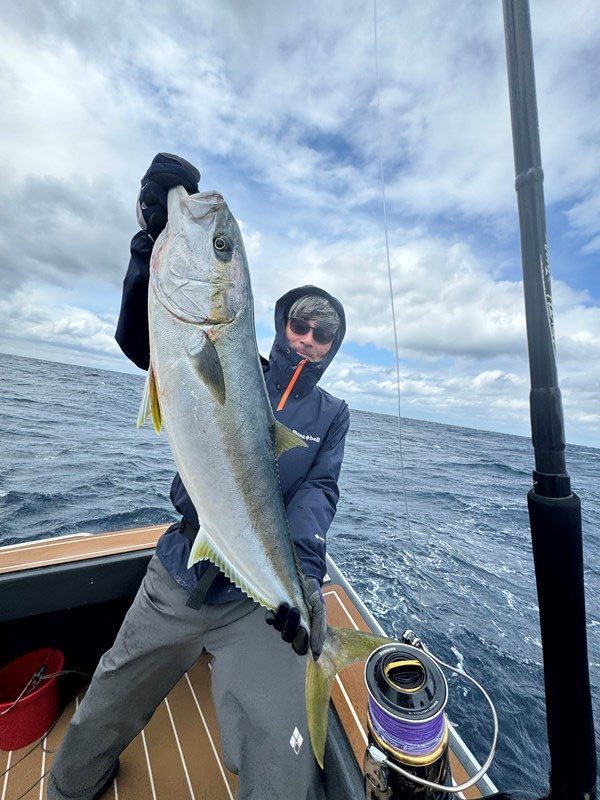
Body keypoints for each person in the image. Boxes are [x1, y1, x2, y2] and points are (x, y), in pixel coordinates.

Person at [47, 154, 350, 800]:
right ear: (277, 322)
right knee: (103, 703)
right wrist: (148, 239)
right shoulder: (236, 359)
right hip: (181, 569)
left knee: (282, 751)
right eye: (299, 322)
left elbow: (317, 496)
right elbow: (141, 342)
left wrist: (304, 581)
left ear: (333, 347)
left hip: (256, 601)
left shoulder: (333, 416)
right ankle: (71, 789)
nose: (308, 337)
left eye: (323, 333)